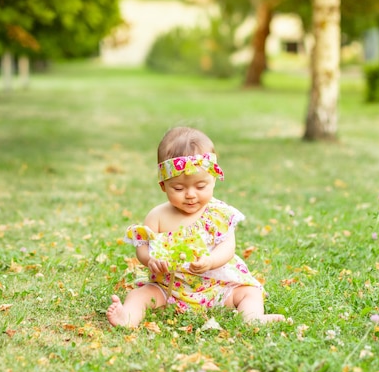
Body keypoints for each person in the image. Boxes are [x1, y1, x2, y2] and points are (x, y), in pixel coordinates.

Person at [107, 127, 285, 327]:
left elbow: (228, 246)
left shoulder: (218, 214)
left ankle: (252, 317)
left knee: (249, 293)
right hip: (169, 288)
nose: (190, 194)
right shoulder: (157, 216)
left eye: (200, 186)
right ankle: (128, 317)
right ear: (163, 186)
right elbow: (142, 247)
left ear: (214, 181)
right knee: (140, 295)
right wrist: (151, 259)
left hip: (216, 286)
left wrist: (211, 260)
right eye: (179, 188)